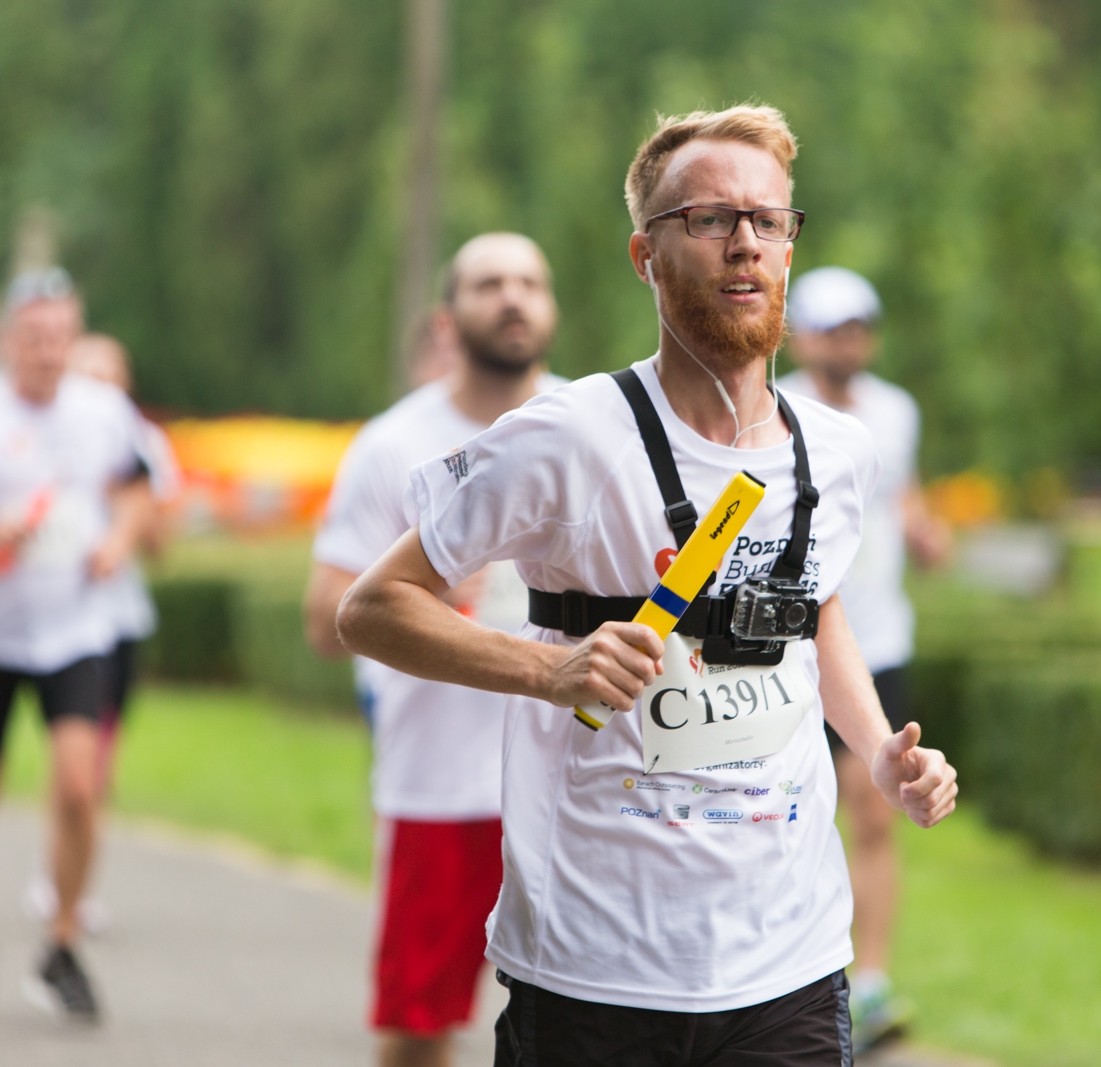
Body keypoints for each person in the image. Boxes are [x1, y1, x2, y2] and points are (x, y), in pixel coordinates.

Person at [336, 105, 958, 1067]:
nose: (745, 243)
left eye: (769, 221)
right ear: (645, 255)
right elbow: (371, 606)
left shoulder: (840, 452)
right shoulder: (567, 435)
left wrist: (874, 748)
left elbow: (811, 608)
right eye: (709, 219)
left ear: (791, 247)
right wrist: (546, 670)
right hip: (595, 965)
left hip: (787, 961)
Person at [305, 233, 565, 1067]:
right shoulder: (393, 444)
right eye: (490, 284)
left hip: (579, 781)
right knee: (422, 1025)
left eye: (530, 281)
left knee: (598, 1024)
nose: (513, 297)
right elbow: (325, 616)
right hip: (441, 786)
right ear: (448, 317)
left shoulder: (589, 426)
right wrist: (435, 599)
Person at [0, 269, 152, 1023]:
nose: (48, 351)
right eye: (34, 337)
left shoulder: (103, 410)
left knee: (77, 785)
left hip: (74, 626)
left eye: (61, 336)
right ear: (4, 341)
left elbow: (135, 489)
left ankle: (62, 941)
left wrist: (119, 542)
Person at [779, 266, 950, 1053]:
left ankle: (871, 982)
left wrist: (924, 528)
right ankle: (790, 970)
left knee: (874, 812)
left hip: (879, 639)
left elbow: (902, 493)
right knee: (785, 811)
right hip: (788, 645)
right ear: (801, 334)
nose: (845, 341)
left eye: (857, 327)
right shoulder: (773, 409)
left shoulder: (896, 411)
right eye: (830, 328)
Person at [19, 333, 182, 932]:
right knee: (69, 761)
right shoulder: (47, 432)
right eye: (86, 372)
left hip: (120, 622)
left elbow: (164, 544)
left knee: (94, 767)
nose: (96, 386)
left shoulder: (146, 446)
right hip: (55, 620)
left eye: (108, 375)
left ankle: (75, 882)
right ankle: (55, 879)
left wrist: (126, 515)